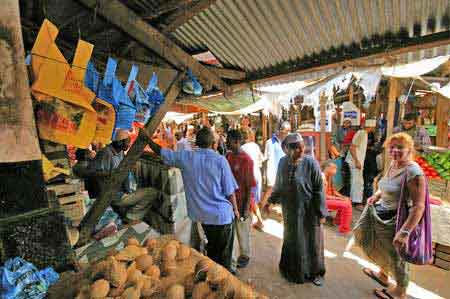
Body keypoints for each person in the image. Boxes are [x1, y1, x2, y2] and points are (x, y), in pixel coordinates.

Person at [146, 127, 239, 271]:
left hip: (203, 218)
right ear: (213, 144)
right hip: (221, 218)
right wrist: (236, 210)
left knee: (212, 256)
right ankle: (222, 284)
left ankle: (212, 282)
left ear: (196, 143)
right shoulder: (220, 161)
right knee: (223, 260)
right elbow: (229, 191)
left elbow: (162, 152)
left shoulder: (186, 158)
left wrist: (146, 139)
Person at [361, 132, 426, 299]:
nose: (395, 150)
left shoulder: (413, 172)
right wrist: (376, 195)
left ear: (410, 149)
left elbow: (419, 206)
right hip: (384, 214)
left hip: (399, 221)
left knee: (397, 257)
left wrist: (404, 232)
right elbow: (385, 186)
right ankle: (383, 275)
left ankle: (400, 292)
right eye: (392, 147)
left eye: (400, 147)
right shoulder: (393, 164)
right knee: (385, 249)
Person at [264, 133, 327, 286]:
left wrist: (321, 212)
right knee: (293, 241)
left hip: (309, 210)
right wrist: (269, 201)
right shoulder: (282, 163)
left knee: (313, 241)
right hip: (290, 210)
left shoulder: (311, 163)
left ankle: (315, 273)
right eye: (295, 147)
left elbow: (319, 189)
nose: (300, 149)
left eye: (301, 146)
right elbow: (279, 186)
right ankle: (293, 271)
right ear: (286, 150)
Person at [93, 129, 156, 223]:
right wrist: (113, 174)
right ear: (119, 143)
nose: (128, 145)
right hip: (111, 195)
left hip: (119, 191)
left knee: (140, 186)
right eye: (127, 143)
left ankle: (127, 214)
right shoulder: (106, 153)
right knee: (152, 192)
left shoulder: (120, 152)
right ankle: (131, 217)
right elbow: (96, 174)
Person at [226, 129, 256, 270]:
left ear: (237, 142)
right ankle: (232, 255)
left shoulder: (247, 160)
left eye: (229, 141)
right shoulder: (229, 156)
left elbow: (250, 186)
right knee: (231, 231)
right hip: (230, 202)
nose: (226, 142)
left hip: (243, 201)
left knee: (242, 231)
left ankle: (245, 255)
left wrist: (245, 208)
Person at [260, 121, 291, 208]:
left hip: (284, 170)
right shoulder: (270, 142)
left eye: (289, 130)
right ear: (281, 130)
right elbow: (266, 159)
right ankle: (261, 208)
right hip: (273, 170)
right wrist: (265, 175)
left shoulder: (288, 142)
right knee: (270, 189)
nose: (288, 133)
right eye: (287, 130)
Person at [241, 128, 265, 230]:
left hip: (249, 175)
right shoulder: (255, 146)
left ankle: (260, 221)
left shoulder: (242, 148)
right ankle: (255, 219)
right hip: (257, 174)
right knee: (254, 198)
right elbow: (262, 159)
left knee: (252, 199)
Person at [321, 160, 352, 235]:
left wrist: (343, 197)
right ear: (327, 168)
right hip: (320, 201)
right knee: (346, 205)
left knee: (347, 201)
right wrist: (339, 199)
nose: (336, 170)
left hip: (326, 199)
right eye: (334, 168)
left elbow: (333, 191)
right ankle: (344, 230)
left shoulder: (329, 177)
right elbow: (323, 196)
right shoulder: (322, 177)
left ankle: (338, 221)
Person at [346, 123, 368, 208]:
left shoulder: (364, 133)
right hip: (355, 162)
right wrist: (357, 161)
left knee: (357, 181)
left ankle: (355, 201)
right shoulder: (362, 133)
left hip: (357, 161)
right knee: (357, 182)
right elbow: (352, 147)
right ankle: (356, 202)